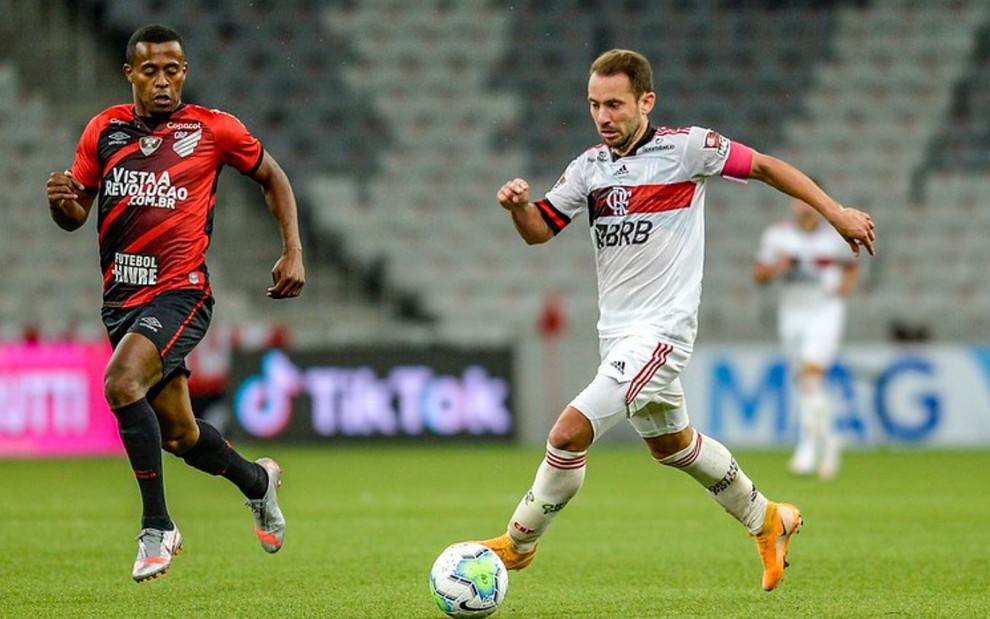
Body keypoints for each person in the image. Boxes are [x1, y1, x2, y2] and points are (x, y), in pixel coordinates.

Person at [478, 49, 875, 592]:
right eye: (594, 105)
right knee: (673, 447)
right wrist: (518, 208)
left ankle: (518, 544)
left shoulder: (686, 148)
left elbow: (764, 166)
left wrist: (835, 213)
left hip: (661, 333)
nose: (603, 117)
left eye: (614, 104)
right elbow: (540, 229)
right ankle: (768, 519)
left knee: (568, 433)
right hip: (617, 333)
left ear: (646, 101)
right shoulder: (589, 167)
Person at [45, 24, 306, 582]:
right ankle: (258, 483)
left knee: (120, 384)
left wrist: (293, 249)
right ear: (130, 74)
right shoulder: (104, 131)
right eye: (150, 71)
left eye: (173, 70)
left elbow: (272, 176)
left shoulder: (213, 129)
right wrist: (62, 204)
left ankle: (157, 526)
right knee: (181, 436)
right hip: (120, 300)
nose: (162, 81)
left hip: (181, 292)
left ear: (183, 72)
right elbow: (75, 216)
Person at [753, 191, 860, 480]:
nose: (804, 207)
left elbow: (852, 265)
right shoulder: (778, 236)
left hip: (825, 310)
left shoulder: (835, 237)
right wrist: (779, 267)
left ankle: (807, 447)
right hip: (792, 312)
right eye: (799, 200)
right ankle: (830, 439)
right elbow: (759, 275)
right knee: (804, 381)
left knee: (811, 374)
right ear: (793, 202)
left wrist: (844, 287)